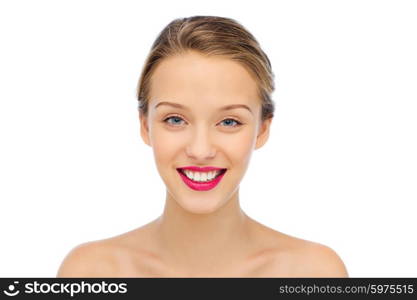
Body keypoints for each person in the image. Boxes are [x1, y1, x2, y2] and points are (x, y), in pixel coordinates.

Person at [57, 15, 348, 277]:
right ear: (145, 125)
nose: (200, 150)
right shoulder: (90, 273)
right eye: (175, 119)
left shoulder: (314, 273)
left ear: (262, 129)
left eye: (229, 122)